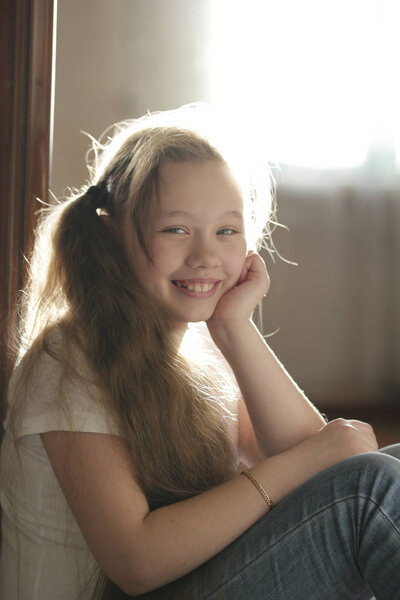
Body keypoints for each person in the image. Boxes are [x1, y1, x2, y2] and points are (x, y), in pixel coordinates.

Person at [0, 105, 399, 600]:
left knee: (389, 469)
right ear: (111, 233)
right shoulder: (69, 354)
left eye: (227, 231)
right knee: (372, 491)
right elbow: (136, 563)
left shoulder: (201, 345)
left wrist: (234, 329)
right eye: (176, 229)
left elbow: (321, 467)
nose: (206, 255)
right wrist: (315, 457)